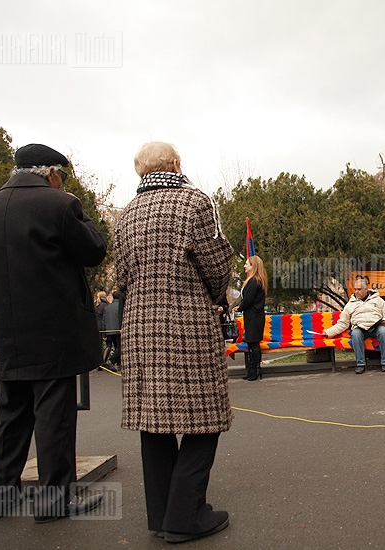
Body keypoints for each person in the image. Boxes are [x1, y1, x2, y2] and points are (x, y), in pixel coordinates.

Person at [0, 143, 106, 522]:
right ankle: (54, 501)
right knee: (53, 418)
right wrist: (80, 210)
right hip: (55, 334)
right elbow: (94, 250)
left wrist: (7, 309)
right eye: (63, 176)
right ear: (51, 172)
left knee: (11, 415)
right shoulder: (60, 205)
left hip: (11, 333)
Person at [114, 141, 234, 543]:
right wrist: (215, 299)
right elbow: (217, 266)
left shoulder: (125, 214)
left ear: (140, 172)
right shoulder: (196, 202)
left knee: (155, 421)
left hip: (140, 329)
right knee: (205, 418)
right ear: (177, 164)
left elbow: (121, 277)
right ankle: (186, 516)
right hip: (188, 324)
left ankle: (163, 515)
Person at [322, 278, 385, 374]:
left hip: (376, 327)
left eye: (359, 289)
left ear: (366, 289)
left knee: (383, 332)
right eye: (355, 289)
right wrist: (328, 332)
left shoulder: (378, 300)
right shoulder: (350, 304)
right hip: (360, 328)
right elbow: (343, 323)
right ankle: (360, 364)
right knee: (355, 334)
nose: (356, 292)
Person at [235, 255, 267, 381]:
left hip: (254, 317)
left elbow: (248, 299)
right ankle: (252, 370)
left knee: (254, 345)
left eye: (246, 264)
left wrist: (240, 307)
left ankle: (256, 370)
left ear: (253, 266)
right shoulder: (255, 280)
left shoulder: (255, 281)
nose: (244, 266)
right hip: (252, 316)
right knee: (251, 344)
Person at [102, 291, 124, 371]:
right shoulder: (121, 306)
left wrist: (104, 332)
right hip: (118, 329)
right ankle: (111, 361)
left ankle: (117, 363)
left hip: (109, 330)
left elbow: (103, 320)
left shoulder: (107, 307)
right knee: (120, 347)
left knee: (115, 347)